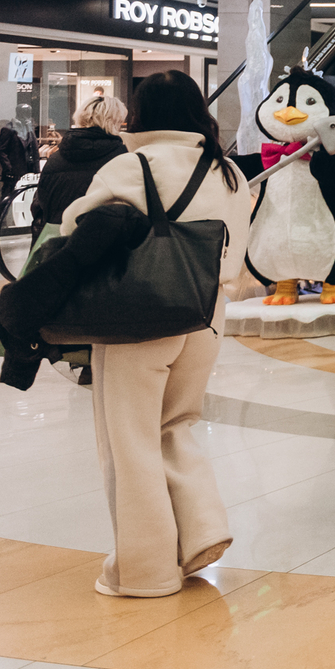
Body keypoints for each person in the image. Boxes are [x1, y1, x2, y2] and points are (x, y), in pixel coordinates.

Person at [60, 71, 253, 596]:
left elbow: (76, 228)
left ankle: (144, 571)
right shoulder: (229, 172)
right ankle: (201, 530)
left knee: (130, 440)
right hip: (207, 314)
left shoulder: (131, 165)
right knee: (176, 424)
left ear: (141, 114)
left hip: (139, 316)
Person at [34, 95, 126, 230]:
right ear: (115, 121)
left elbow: (40, 204)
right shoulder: (122, 157)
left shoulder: (55, 158)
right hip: (103, 237)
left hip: (59, 236)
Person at [0, 119, 31, 199]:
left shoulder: (28, 128)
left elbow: (32, 149)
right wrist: (9, 169)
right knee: (8, 198)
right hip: (12, 174)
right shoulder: (8, 129)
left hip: (26, 173)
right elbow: (1, 150)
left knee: (24, 198)